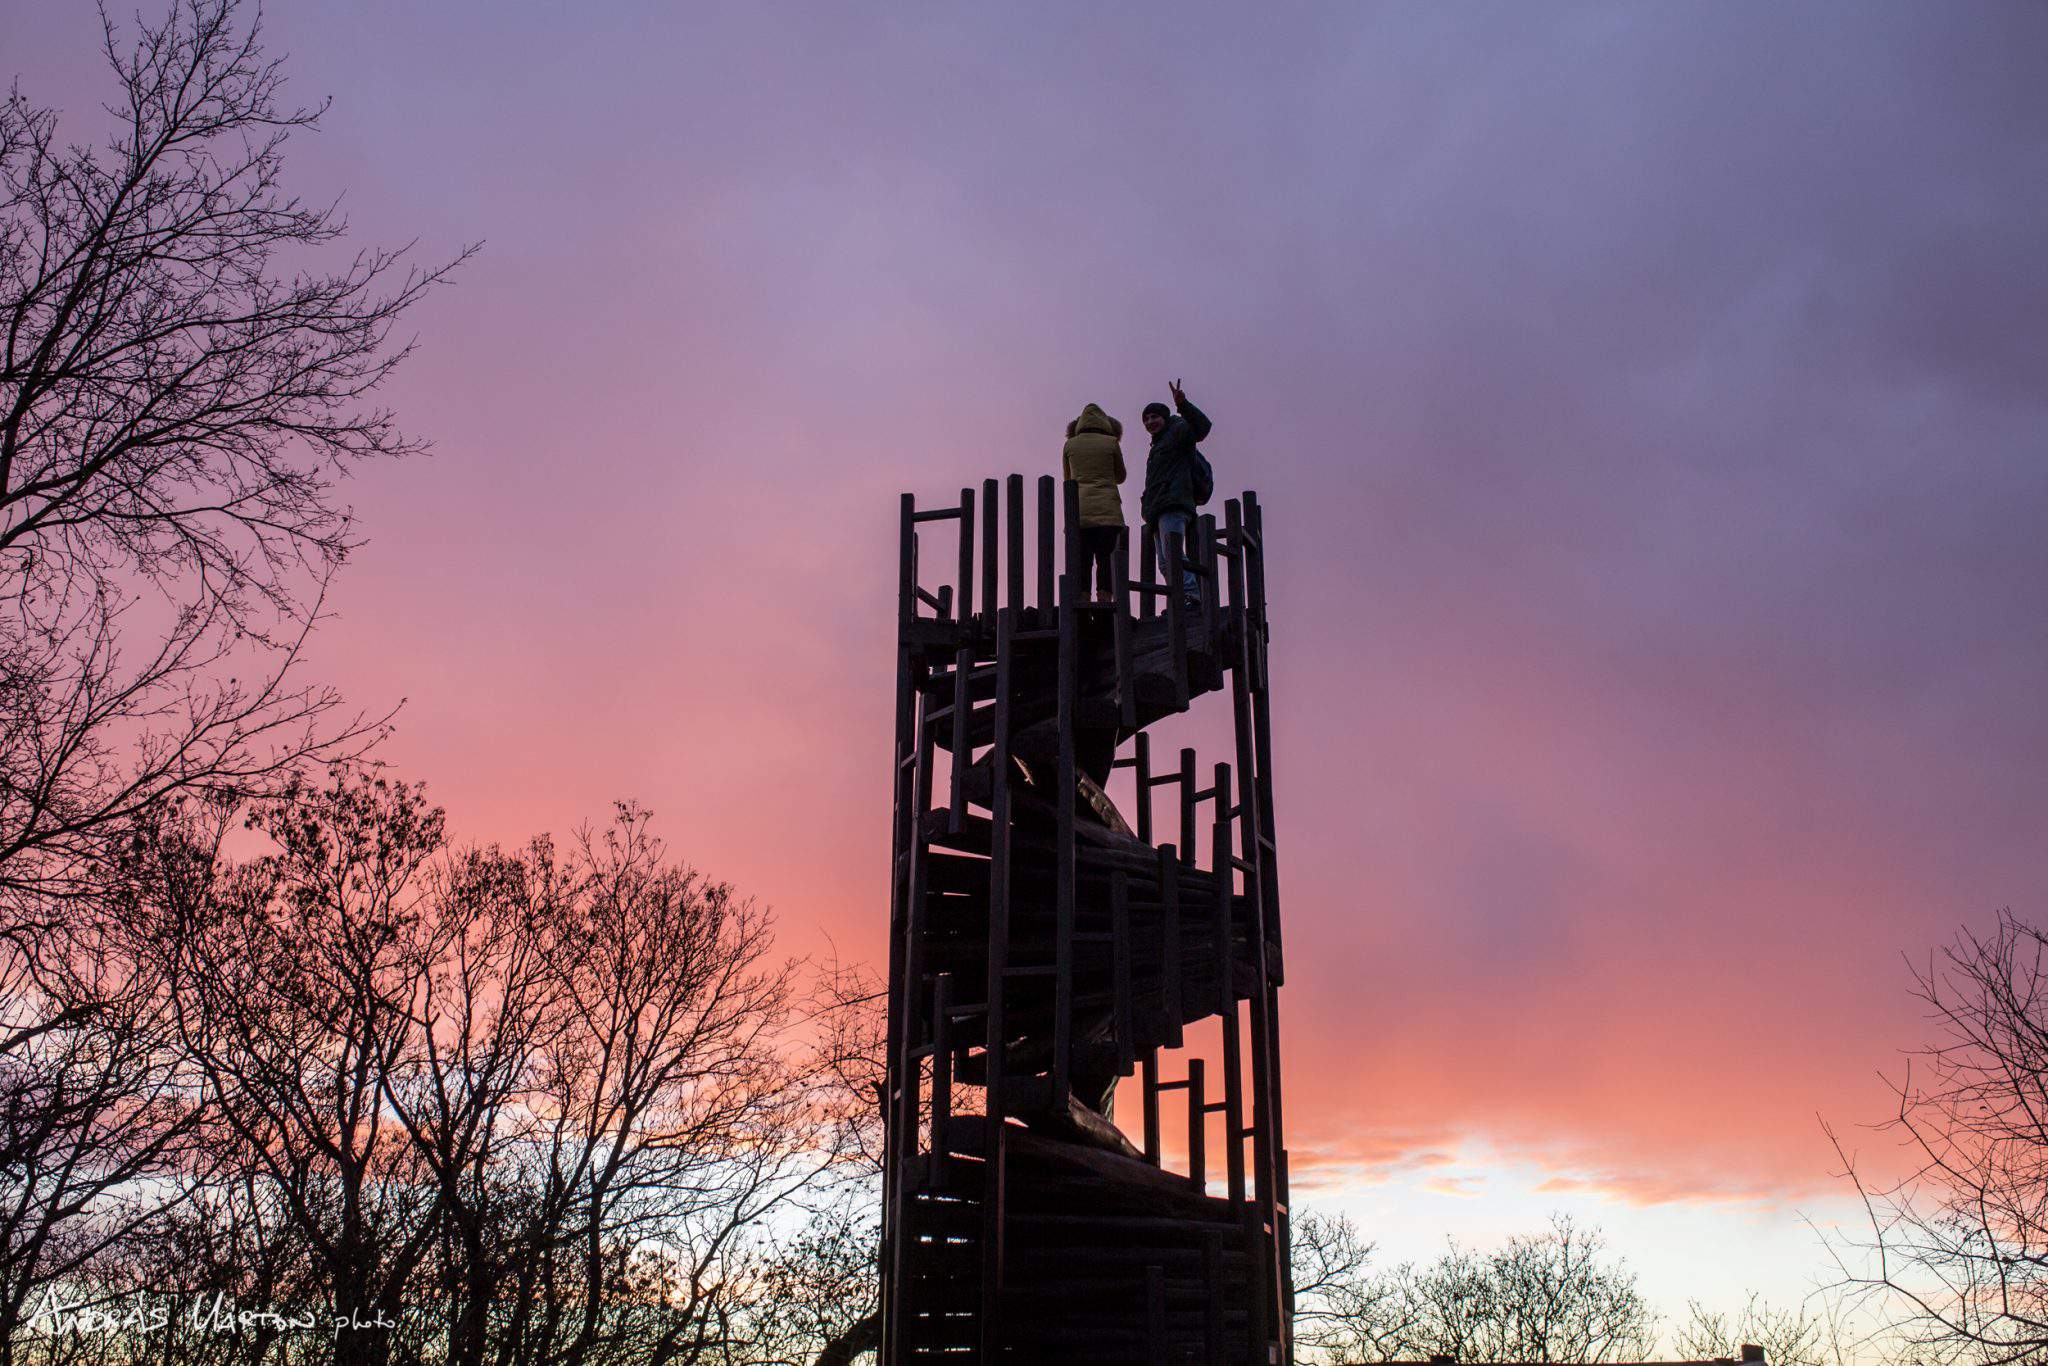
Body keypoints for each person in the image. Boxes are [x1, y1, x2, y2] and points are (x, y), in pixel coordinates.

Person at [1140, 378, 1211, 602]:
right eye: (1147, 419)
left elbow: (1202, 428)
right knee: (1164, 561)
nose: (1150, 422)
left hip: (1173, 503)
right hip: (1159, 507)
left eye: (1155, 417)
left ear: (1165, 417)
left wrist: (1183, 404)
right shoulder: (1157, 445)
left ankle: (1191, 597)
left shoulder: (1178, 430)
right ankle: (1182, 599)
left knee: (1172, 555)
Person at [1060, 402, 1127, 603]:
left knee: (1082, 560)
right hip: (1109, 512)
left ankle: (1083, 600)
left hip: (1080, 512)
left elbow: (1068, 479)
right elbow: (1121, 476)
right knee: (1106, 559)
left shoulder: (1069, 444)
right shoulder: (1111, 442)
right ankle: (1105, 601)